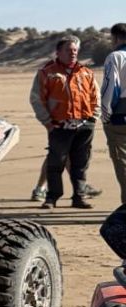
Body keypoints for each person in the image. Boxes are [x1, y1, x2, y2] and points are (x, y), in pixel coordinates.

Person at [30, 35, 100, 209]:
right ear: (58, 52)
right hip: (59, 126)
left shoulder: (86, 73)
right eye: (68, 50)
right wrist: (48, 122)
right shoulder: (47, 73)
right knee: (55, 163)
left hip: (84, 126)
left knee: (80, 164)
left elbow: (96, 97)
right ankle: (51, 198)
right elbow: (37, 99)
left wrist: (93, 118)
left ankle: (79, 197)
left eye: (75, 50)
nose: (73, 53)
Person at [103, 23, 126, 204]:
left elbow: (112, 88)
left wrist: (106, 115)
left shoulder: (115, 57)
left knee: (122, 162)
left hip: (120, 117)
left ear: (116, 38)